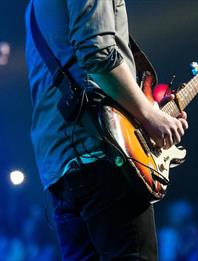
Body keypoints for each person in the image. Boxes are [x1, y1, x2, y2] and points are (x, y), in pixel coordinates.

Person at [25, 0, 188, 260]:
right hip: (105, 156)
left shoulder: (36, 6)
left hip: (60, 169)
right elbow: (97, 54)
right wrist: (149, 116)